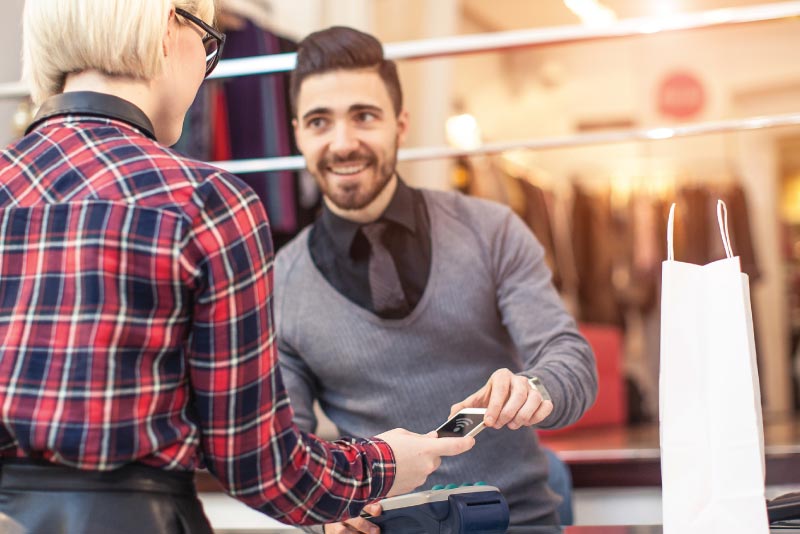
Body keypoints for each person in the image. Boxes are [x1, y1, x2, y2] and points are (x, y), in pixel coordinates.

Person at [0, 3, 473, 533]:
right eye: (207, 41)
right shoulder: (206, 202)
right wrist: (383, 464)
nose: (205, 70)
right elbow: (261, 466)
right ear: (167, 29)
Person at [275, 26, 599, 532]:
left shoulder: (491, 231)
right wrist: (323, 515)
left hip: (518, 521)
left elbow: (573, 362)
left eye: (364, 116)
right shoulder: (280, 286)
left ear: (401, 124)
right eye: (320, 122)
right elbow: (284, 451)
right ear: (298, 132)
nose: (343, 143)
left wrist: (534, 387)